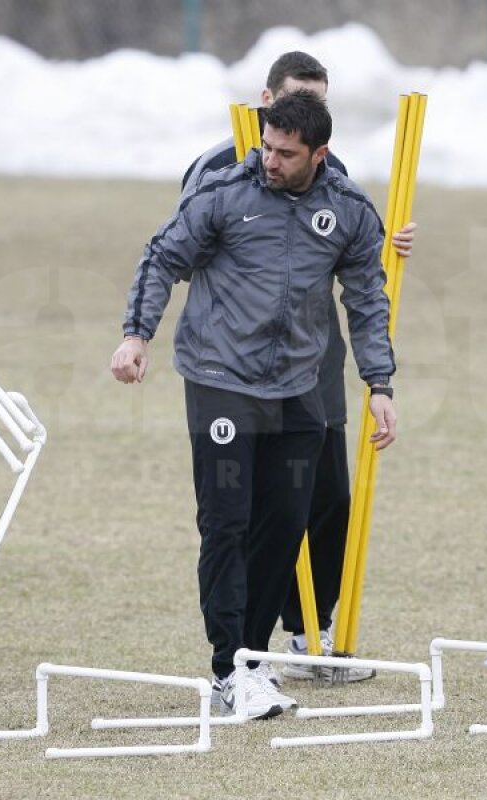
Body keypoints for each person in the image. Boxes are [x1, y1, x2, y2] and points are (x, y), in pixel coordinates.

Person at [111, 90, 397, 719]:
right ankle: (228, 669)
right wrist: (137, 334)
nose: (269, 159)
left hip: (298, 390)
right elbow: (162, 257)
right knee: (226, 522)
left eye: (286, 153)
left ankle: (253, 658)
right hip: (220, 379)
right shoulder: (223, 194)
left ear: (319, 154)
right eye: (266, 145)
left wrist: (379, 384)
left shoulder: (347, 210)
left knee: (286, 521)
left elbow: (368, 298)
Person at [181, 51, 416, 683]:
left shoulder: (328, 168)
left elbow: (351, 251)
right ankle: (256, 649)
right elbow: (193, 243)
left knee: (322, 502)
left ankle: (309, 633)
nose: (303, 114)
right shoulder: (219, 167)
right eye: (293, 100)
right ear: (266, 100)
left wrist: (383, 241)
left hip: (313, 369)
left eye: (318, 103)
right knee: (243, 513)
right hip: (237, 372)